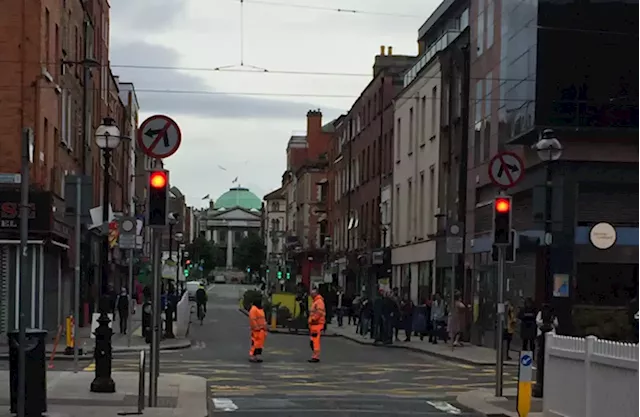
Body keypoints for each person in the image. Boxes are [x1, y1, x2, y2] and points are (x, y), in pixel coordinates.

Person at [308, 288, 326, 363]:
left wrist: (313, 319)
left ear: (316, 294)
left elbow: (319, 313)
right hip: (314, 325)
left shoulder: (319, 302)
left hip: (317, 325)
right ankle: (315, 355)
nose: (311, 295)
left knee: (315, 342)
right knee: (313, 341)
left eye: (313, 293)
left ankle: (316, 357)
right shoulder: (316, 301)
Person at [248, 297, 267, 362]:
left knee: (259, 345)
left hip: (261, 330)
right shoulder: (253, 309)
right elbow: (252, 320)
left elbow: (263, 319)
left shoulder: (260, 309)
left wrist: (265, 327)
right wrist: (256, 327)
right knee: (254, 344)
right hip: (256, 330)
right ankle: (252, 356)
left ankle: (257, 356)